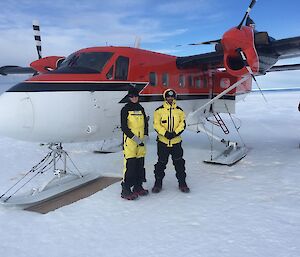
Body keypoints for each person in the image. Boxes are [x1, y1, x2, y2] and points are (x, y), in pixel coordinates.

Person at [152, 89, 190, 193]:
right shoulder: (159, 111)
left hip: (176, 142)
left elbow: (182, 124)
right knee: (161, 164)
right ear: (165, 98)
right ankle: (158, 183)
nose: (170, 99)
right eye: (168, 97)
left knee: (179, 163)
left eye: (172, 97)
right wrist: (165, 133)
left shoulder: (179, 111)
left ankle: (182, 182)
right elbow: (156, 124)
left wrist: (175, 133)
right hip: (163, 142)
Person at [120, 87, 149, 200]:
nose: (134, 98)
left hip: (141, 142)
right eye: (132, 96)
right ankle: (126, 189)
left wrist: (145, 136)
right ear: (129, 97)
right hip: (131, 142)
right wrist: (135, 139)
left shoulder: (141, 108)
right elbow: (124, 127)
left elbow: (145, 124)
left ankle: (138, 186)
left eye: (136, 96)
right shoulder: (125, 109)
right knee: (130, 166)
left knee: (140, 165)